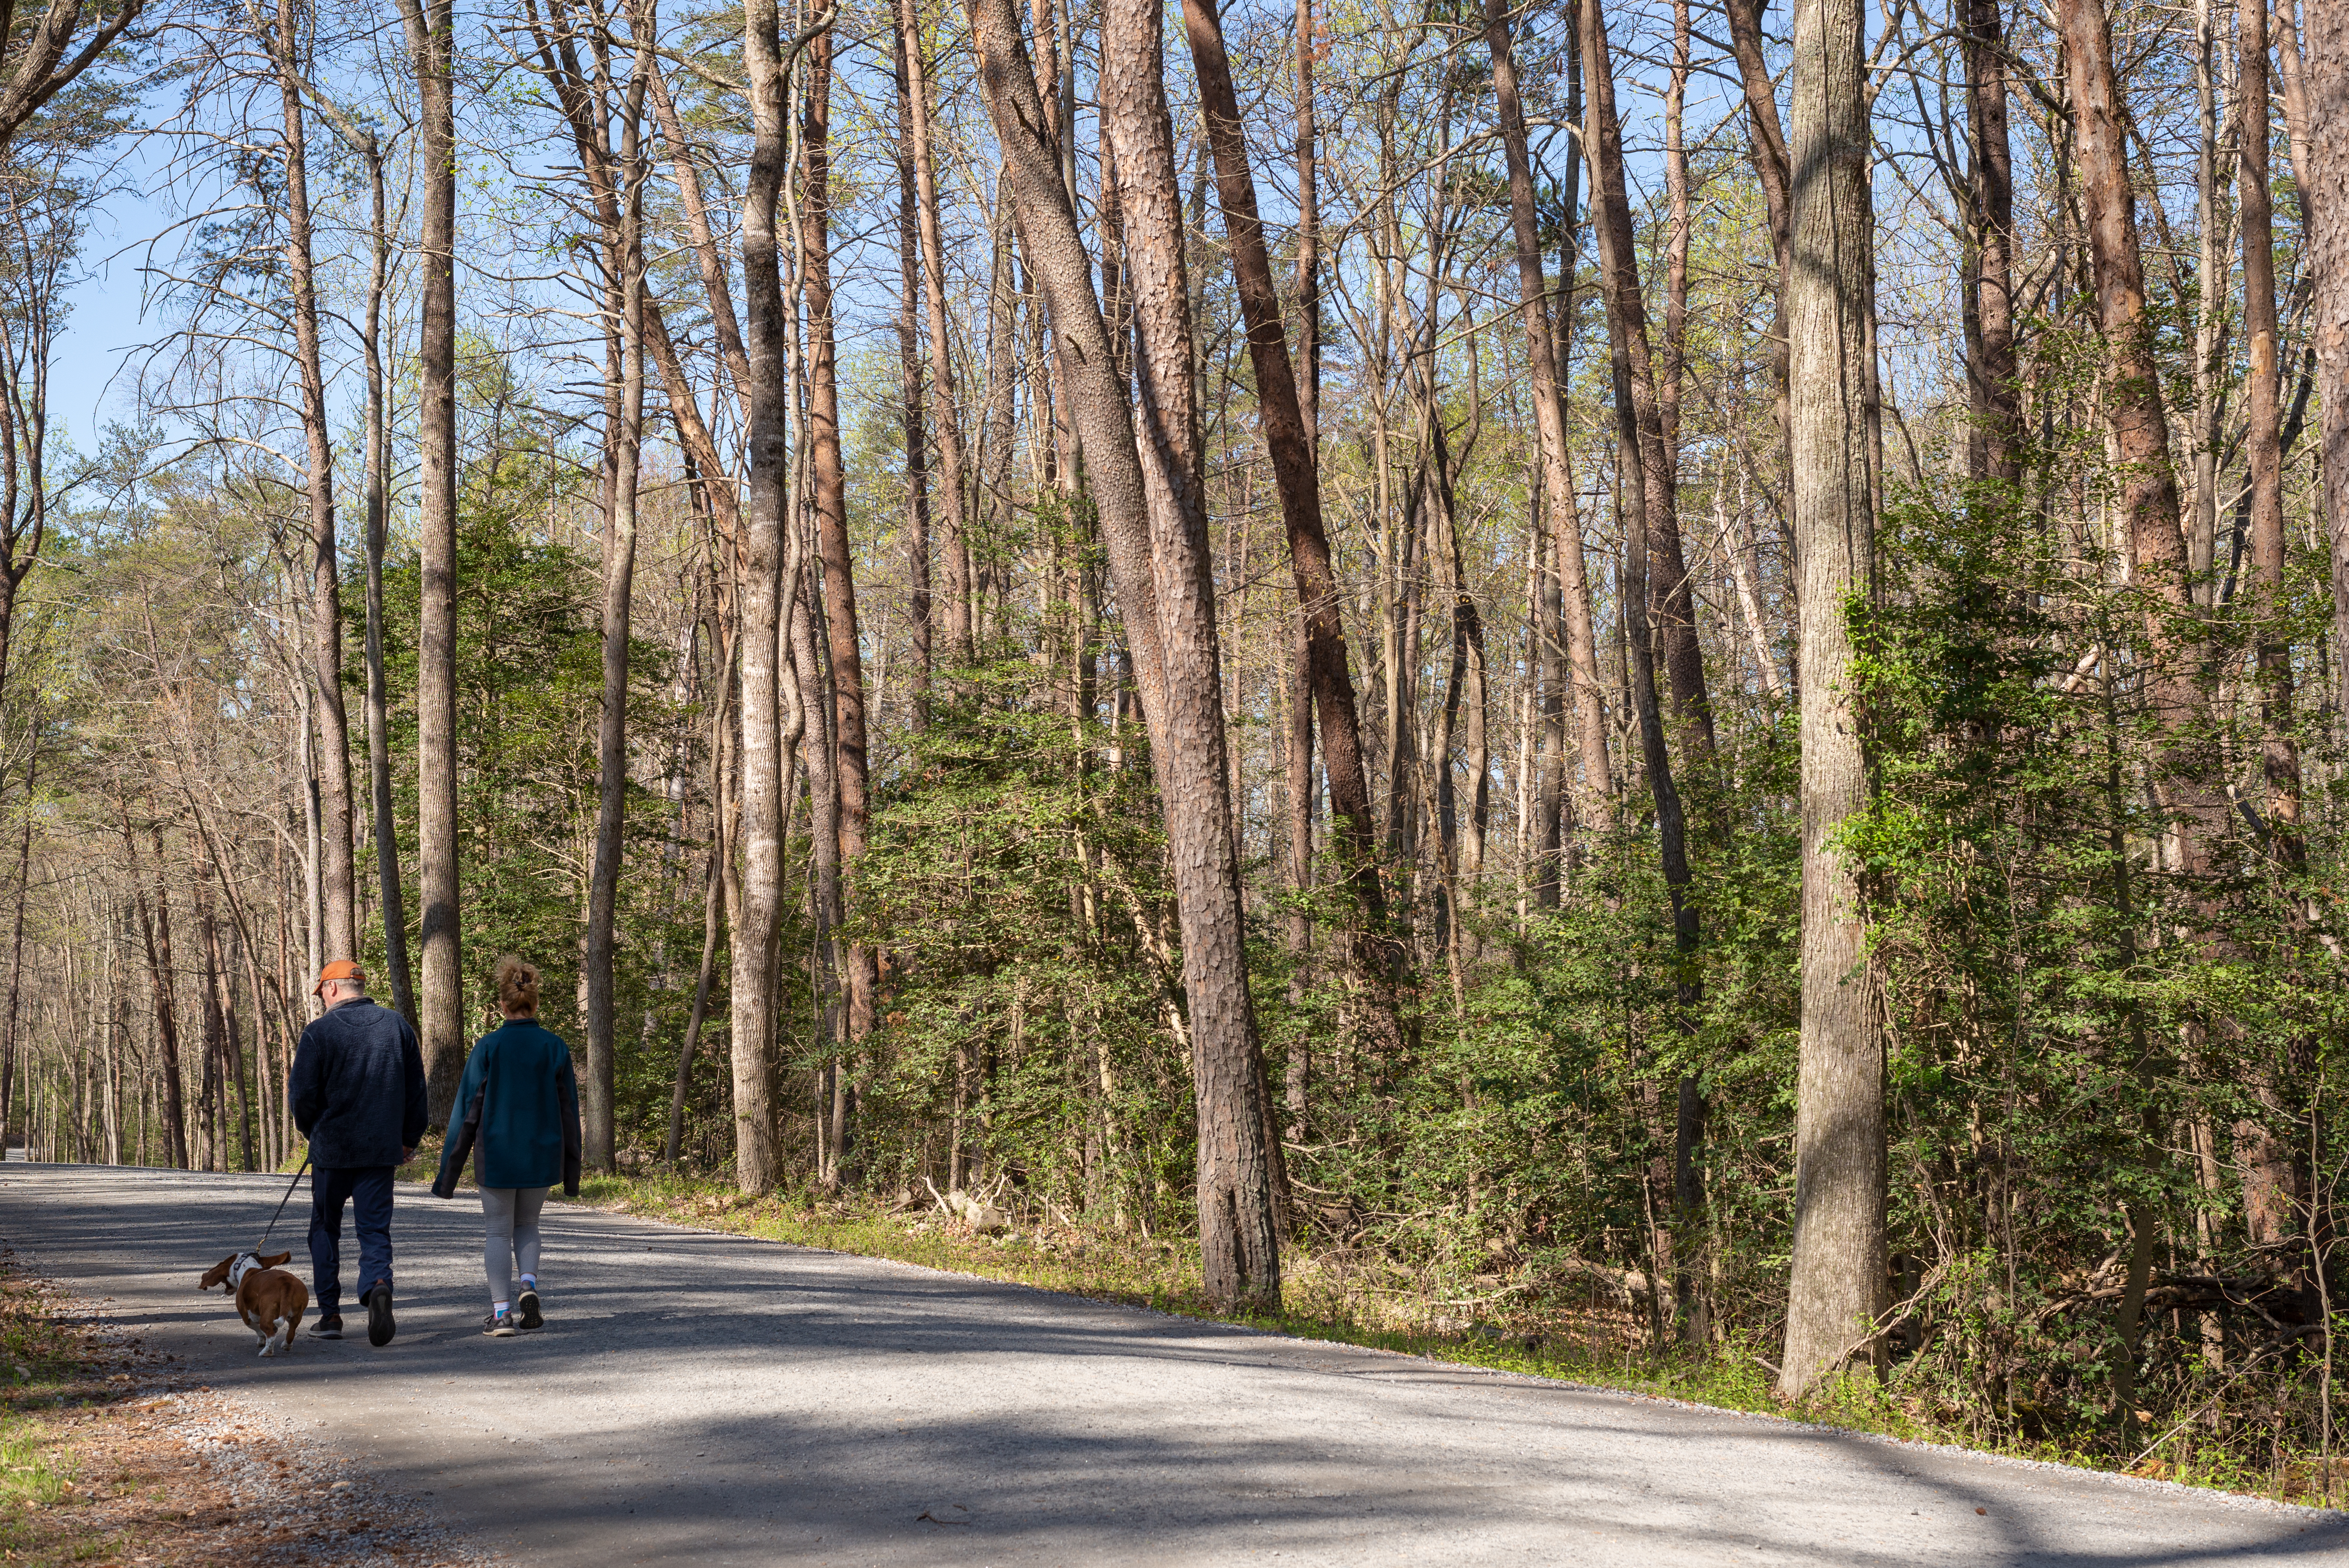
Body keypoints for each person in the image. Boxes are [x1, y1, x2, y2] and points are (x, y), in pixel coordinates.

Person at [433, 956, 581, 1337]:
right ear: (535, 1002)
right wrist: (572, 1170)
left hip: (497, 1154)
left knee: (498, 1232)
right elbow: (569, 1113)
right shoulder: (555, 1047)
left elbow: (467, 1111)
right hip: (540, 1154)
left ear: (502, 1004)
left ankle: (501, 1315)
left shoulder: (488, 1047)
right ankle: (528, 1285)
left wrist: (448, 1174)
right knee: (528, 1224)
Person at [289, 959, 426, 1347]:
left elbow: (301, 1096)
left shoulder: (318, 1033)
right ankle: (378, 1284)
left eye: (322, 994)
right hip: (381, 1150)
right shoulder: (397, 1026)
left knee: (325, 1229)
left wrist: (311, 1131)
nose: (322, 1001)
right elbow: (417, 1090)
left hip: (332, 1153)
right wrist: (408, 1139)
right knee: (373, 1230)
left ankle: (330, 1315)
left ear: (332, 989)